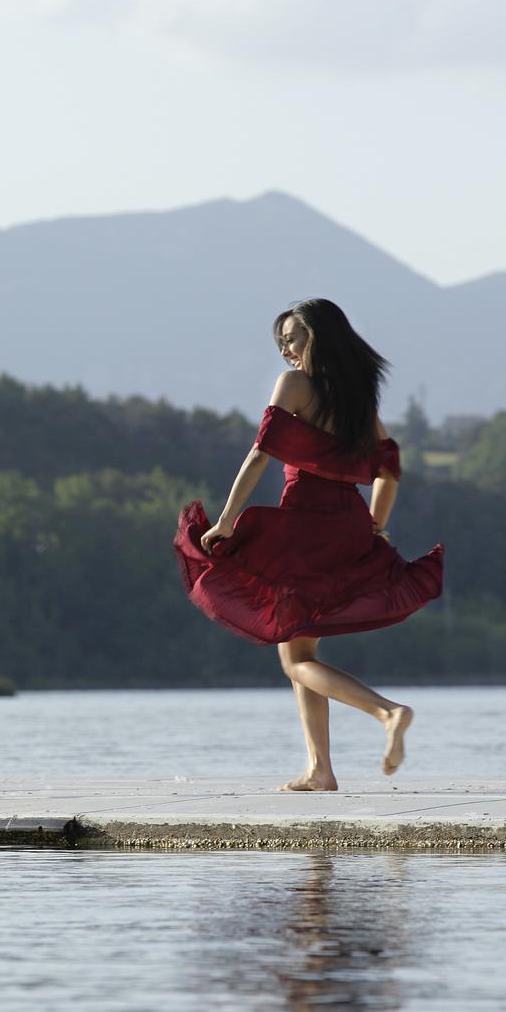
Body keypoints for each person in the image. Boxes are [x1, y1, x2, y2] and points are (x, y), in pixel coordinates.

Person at [175, 298, 444, 791]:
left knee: (295, 659)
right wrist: (376, 528)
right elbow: (389, 469)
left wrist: (229, 520)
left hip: (305, 527)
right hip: (347, 525)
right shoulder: (358, 400)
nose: (287, 352)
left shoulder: (295, 386)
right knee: (301, 648)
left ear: (319, 336)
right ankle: (320, 768)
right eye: (281, 344)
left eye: (293, 339)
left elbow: (260, 454)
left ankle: (386, 712)